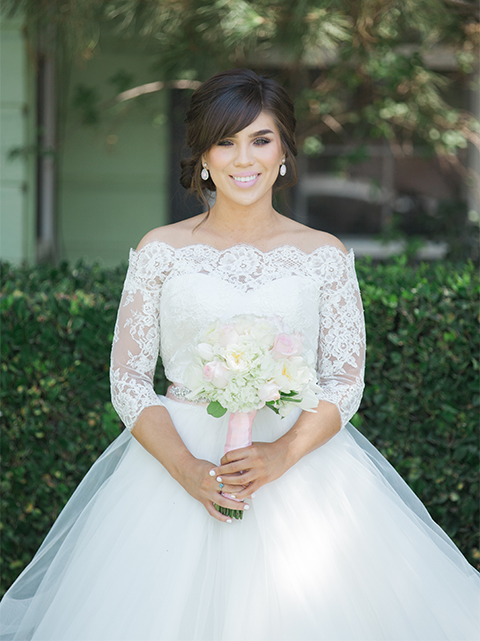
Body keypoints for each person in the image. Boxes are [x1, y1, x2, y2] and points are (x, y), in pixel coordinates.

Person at [0, 68, 478, 641]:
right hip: (171, 474)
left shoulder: (323, 255)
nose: (242, 158)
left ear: (283, 152)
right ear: (203, 155)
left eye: (260, 139)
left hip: (300, 472)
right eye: (225, 141)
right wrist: (186, 469)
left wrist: (280, 454)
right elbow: (128, 380)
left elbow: (344, 381)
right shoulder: (161, 251)